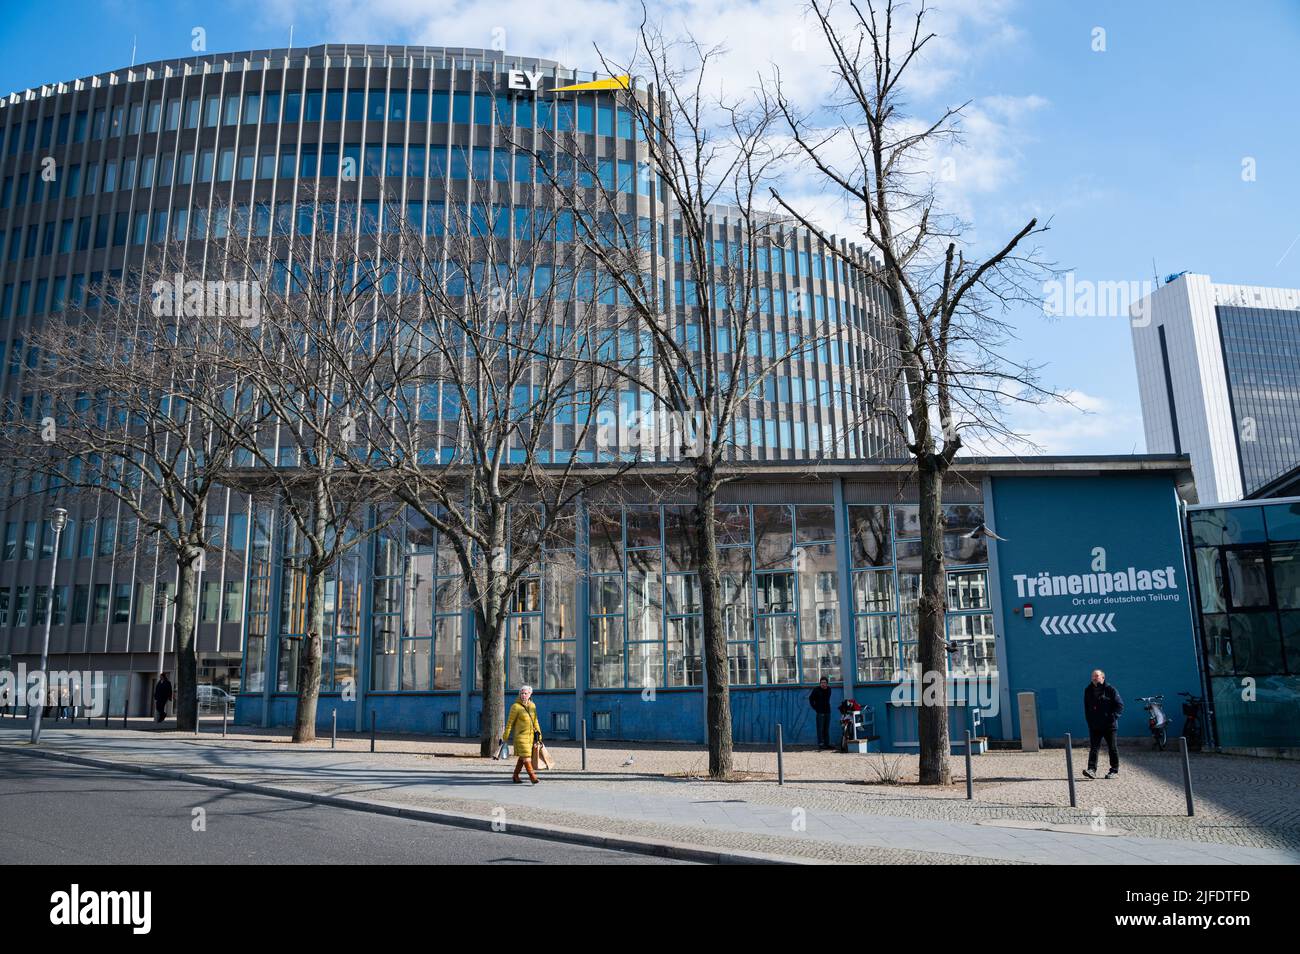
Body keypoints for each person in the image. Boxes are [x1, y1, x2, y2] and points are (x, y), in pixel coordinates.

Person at [1082, 668, 1123, 779]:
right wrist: (1089, 721)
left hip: (1110, 726)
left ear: (1103, 677)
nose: (1094, 678)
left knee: (1112, 748)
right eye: (1093, 676)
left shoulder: (1111, 690)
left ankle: (1114, 771)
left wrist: (1113, 718)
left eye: (1097, 676)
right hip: (1095, 726)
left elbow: (1119, 706)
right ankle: (1091, 770)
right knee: (1094, 748)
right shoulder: (1088, 690)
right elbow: (1086, 708)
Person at [501, 685, 541, 784]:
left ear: (530, 694)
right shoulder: (515, 707)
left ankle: (515, 775)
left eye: (525, 693)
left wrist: (539, 735)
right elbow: (510, 723)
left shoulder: (532, 705)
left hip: (530, 737)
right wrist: (505, 736)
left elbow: (535, 721)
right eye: (521, 693)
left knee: (523, 757)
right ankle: (533, 776)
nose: (523, 695)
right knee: (527, 757)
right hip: (520, 737)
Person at [808, 676, 833, 750]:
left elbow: (826, 697)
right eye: (821, 683)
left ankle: (827, 744)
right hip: (820, 712)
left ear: (827, 683)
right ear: (820, 683)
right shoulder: (816, 690)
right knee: (820, 729)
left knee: (826, 729)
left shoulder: (829, 689)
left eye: (824, 682)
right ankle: (821, 744)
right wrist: (815, 708)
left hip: (827, 711)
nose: (823, 684)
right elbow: (811, 698)